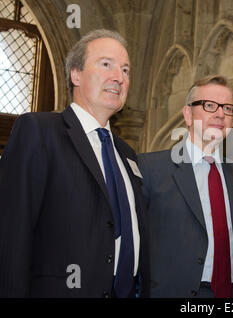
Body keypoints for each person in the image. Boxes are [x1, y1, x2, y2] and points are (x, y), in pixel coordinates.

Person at [0, 29, 149, 298]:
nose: (119, 77)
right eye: (106, 65)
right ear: (76, 74)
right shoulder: (39, 132)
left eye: (125, 70)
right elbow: (10, 234)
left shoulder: (127, 155)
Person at [138, 75, 233, 298]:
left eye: (228, 108)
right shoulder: (150, 168)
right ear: (188, 114)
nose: (220, 114)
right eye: (209, 105)